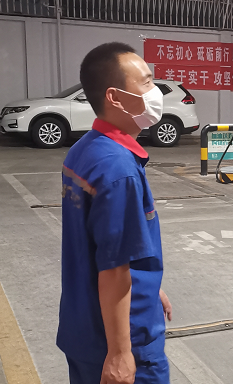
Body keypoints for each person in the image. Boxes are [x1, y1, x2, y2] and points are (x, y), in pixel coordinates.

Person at [58, 42, 173, 384]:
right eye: (146, 82)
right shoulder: (118, 169)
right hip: (123, 340)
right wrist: (121, 353)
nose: (155, 92)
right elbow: (114, 270)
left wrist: (148, 286)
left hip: (84, 328)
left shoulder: (84, 150)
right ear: (116, 97)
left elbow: (107, 244)